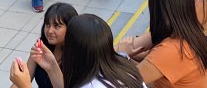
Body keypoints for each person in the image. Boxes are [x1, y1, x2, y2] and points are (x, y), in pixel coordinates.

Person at [115, 0, 207, 87]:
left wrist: (122, 55)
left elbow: (126, 81)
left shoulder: (172, 50)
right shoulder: (188, 30)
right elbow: (125, 48)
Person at [11, 14, 143, 88]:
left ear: (74, 50)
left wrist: (25, 86)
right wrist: (52, 66)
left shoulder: (91, 85)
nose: (50, 31)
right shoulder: (125, 66)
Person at [9, 3, 78, 88]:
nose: (50, 31)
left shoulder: (77, 56)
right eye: (47, 25)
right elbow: (25, 76)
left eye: (57, 26)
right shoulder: (41, 47)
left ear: (70, 28)